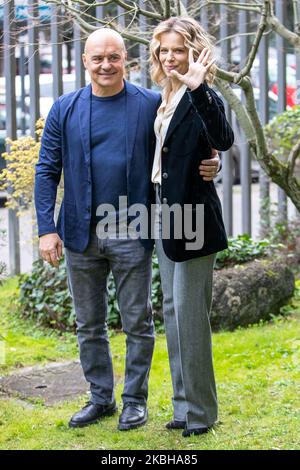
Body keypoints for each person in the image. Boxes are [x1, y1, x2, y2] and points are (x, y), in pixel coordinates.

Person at [34, 28, 220, 431]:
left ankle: (135, 401)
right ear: (84, 61)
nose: (105, 65)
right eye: (97, 58)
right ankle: (100, 398)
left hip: (132, 229)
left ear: (126, 60)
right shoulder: (64, 109)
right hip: (79, 231)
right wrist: (46, 228)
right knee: (88, 322)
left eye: (113, 57)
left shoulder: (149, 104)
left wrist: (213, 161)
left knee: (138, 322)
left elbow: (187, 141)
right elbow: (47, 169)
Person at [149, 17, 234, 437]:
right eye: (163, 50)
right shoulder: (164, 95)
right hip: (165, 213)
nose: (170, 58)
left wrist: (200, 88)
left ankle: (202, 414)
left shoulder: (203, 94)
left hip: (196, 219)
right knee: (172, 312)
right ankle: (183, 405)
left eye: (178, 50)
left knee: (189, 315)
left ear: (194, 52)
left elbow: (223, 137)